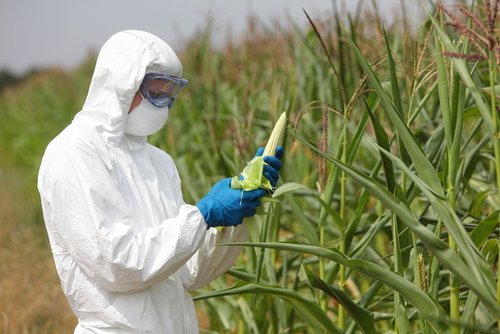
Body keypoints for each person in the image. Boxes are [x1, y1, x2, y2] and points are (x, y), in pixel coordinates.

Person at [37, 30, 284, 333]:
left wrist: (235, 212)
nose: (164, 104)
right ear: (121, 85)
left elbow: (187, 272)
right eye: (157, 92)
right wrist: (202, 214)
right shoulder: (73, 153)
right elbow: (117, 264)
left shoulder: (158, 162)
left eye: (171, 94)